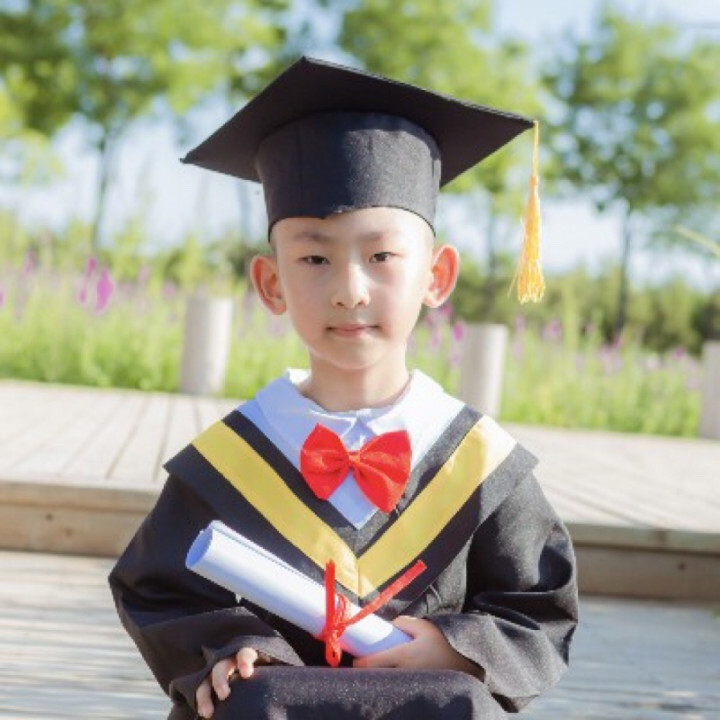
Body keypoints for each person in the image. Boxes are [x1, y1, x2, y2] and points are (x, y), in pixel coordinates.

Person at [109, 56, 578, 720]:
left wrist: (457, 647)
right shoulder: (232, 459)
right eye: (314, 257)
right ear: (271, 283)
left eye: (382, 256)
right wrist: (230, 646)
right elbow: (159, 589)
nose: (349, 290)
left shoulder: (478, 464)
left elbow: (537, 607)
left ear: (437, 276)